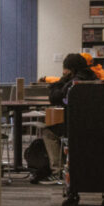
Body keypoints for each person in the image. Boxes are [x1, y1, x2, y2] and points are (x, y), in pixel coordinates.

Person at [34, 52, 97, 182]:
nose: (63, 71)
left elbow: (54, 98)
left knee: (48, 132)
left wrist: (62, 80)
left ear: (70, 69)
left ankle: (57, 171)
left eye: (65, 69)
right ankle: (64, 168)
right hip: (91, 124)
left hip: (74, 126)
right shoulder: (93, 78)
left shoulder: (73, 83)